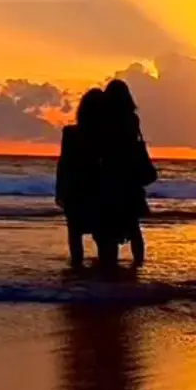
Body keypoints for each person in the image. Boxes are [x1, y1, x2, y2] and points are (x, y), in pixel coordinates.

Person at [101, 78, 158, 268]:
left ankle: (111, 266)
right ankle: (138, 263)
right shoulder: (132, 118)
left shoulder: (105, 119)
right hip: (130, 178)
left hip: (111, 176)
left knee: (110, 226)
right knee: (133, 226)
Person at [55, 87, 111, 269]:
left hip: (75, 190)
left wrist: (60, 190)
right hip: (98, 190)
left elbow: (63, 164)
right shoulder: (105, 136)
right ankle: (104, 276)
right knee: (102, 238)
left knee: (75, 235)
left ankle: (77, 274)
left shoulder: (70, 133)